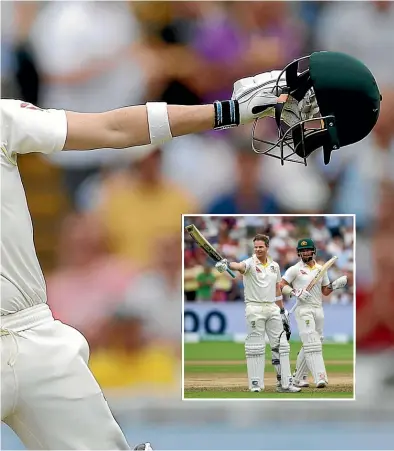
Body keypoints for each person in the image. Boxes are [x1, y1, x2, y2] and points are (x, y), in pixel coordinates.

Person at [215, 234, 300, 393]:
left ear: (267, 247)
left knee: (282, 346)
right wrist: (226, 264)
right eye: (256, 247)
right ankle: (256, 384)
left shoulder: (274, 265)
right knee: (255, 347)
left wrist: (282, 311)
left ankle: (285, 384)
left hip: (272, 308)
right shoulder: (249, 263)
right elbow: (238, 266)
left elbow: (277, 289)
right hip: (254, 308)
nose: (258, 249)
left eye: (261, 247)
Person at [279, 238, 348, 388]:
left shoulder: (321, 269)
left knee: (316, 341)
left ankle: (297, 378)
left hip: (318, 308)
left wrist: (334, 286)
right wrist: (294, 291)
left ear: (313, 251)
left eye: (307, 250)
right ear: (298, 253)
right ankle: (320, 377)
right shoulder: (295, 269)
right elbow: (281, 285)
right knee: (311, 342)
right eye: (302, 251)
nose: (305, 253)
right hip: (303, 309)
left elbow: (325, 291)